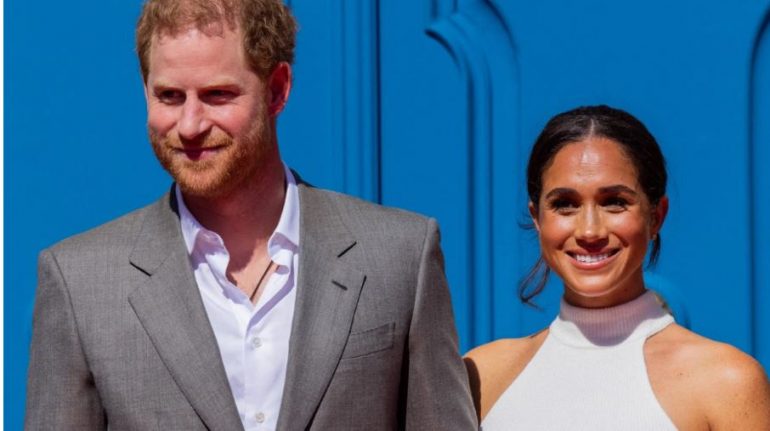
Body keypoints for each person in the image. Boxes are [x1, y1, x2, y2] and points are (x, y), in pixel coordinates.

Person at [24, 0, 477, 429]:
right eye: (169, 96)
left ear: (277, 89)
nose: (190, 125)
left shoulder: (399, 256)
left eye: (217, 95)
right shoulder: (80, 284)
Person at [465, 105, 770, 430]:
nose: (589, 231)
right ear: (537, 219)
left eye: (614, 202)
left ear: (656, 216)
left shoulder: (726, 382)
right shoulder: (481, 376)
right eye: (564, 205)